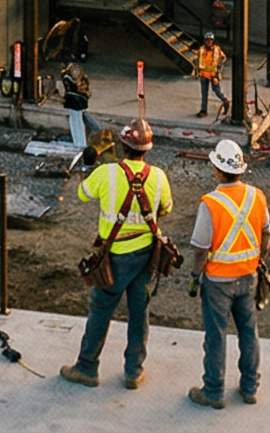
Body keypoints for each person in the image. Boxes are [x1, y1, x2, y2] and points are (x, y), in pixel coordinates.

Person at [61, 118, 172, 390]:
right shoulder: (158, 177)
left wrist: (88, 167)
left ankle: (87, 367)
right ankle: (134, 371)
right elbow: (166, 208)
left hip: (112, 259)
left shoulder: (106, 173)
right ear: (146, 148)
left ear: (123, 146)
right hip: (145, 257)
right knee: (139, 313)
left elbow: (84, 194)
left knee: (100, 311)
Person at [187, 138, 266, 409]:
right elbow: (267, 232)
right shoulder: (257, 196)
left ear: (217, 170)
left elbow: (200, 248)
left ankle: (213, 391)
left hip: (218, 282)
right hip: (248, 277)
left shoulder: (210, 203)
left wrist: (196, 276)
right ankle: (249, 388)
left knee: (216, 336)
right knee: (248, 332)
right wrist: (260, 259)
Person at [191, 33, 227, 121]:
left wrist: (217, 75)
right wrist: (195, 71)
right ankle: (203, 110)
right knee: (204, 93)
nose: (209, 42)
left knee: (217, 91)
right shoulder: (202, 49)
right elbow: (199, 61)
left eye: (210, 40)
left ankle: (225, 102)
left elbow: (223, 59)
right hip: (204, 75)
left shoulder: (217, 50)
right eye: (207, 40)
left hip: (213, 75)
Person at [61, 61, 94, 149]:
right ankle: (81, 142)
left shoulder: (67, 77)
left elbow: (68, 86)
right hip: (79, 102)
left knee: (75, 122)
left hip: (73, 102)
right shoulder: (84, 78)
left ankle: (78, 143)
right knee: (78, 121)